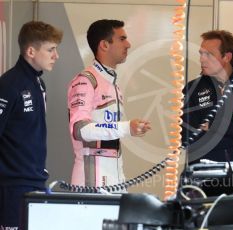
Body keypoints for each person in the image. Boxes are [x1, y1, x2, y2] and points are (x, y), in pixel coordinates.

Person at [67, 19, 151, 188]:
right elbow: (79, 129)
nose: (128, 44)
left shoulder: (112, 83)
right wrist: (127, 128)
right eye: (122, 39)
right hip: (91, 179)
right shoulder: (85, 81)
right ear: (104, 45)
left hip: (115, 174)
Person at [181, 30, 233, 197]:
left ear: (226, 57)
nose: (202, 59)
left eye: (209, 54)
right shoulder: (192, 89)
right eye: (201, 53)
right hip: (204, 180)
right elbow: (190, 139)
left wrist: (212, 126)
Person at [0, 21, 63, 229]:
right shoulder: (9, 84)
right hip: (11, 186)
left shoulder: (38, 83)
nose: (56, 56)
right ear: (31, 51)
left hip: (35, 182)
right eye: (50, 50)